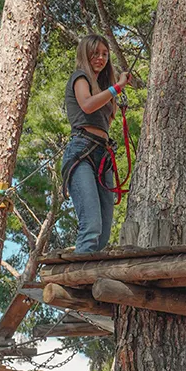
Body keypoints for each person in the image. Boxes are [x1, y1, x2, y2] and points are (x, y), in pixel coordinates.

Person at [61, 34, 131, 253]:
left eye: (104, 54)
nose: (101, 58)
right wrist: (115, 89)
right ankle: (80, 280)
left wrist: (112, 96)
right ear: (85, 54)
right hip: (82, 150)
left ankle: (88, 276)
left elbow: (106, 121)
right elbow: (87, 106)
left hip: (103, 155)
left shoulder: (102, 87)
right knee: (91, 226)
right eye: (95, 54)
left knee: (103, 233)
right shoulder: (79, 78)